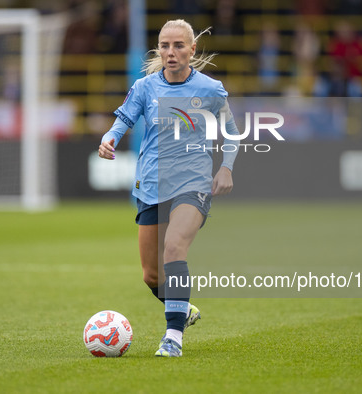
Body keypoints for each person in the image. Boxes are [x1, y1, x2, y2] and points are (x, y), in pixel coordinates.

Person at [98, 19, 239, 357]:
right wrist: (109, 138)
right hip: (151, 184)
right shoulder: (145, 87)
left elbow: (232, 131)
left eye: (178, 46)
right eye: (164, 45)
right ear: (158, 49)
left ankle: (172, 337)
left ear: (192, 49)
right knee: (151, 275)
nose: (171, 52)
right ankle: (181, 307)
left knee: (174, 247)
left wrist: (226, 168)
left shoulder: (210, 89)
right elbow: (123, 121)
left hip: (193, 182)